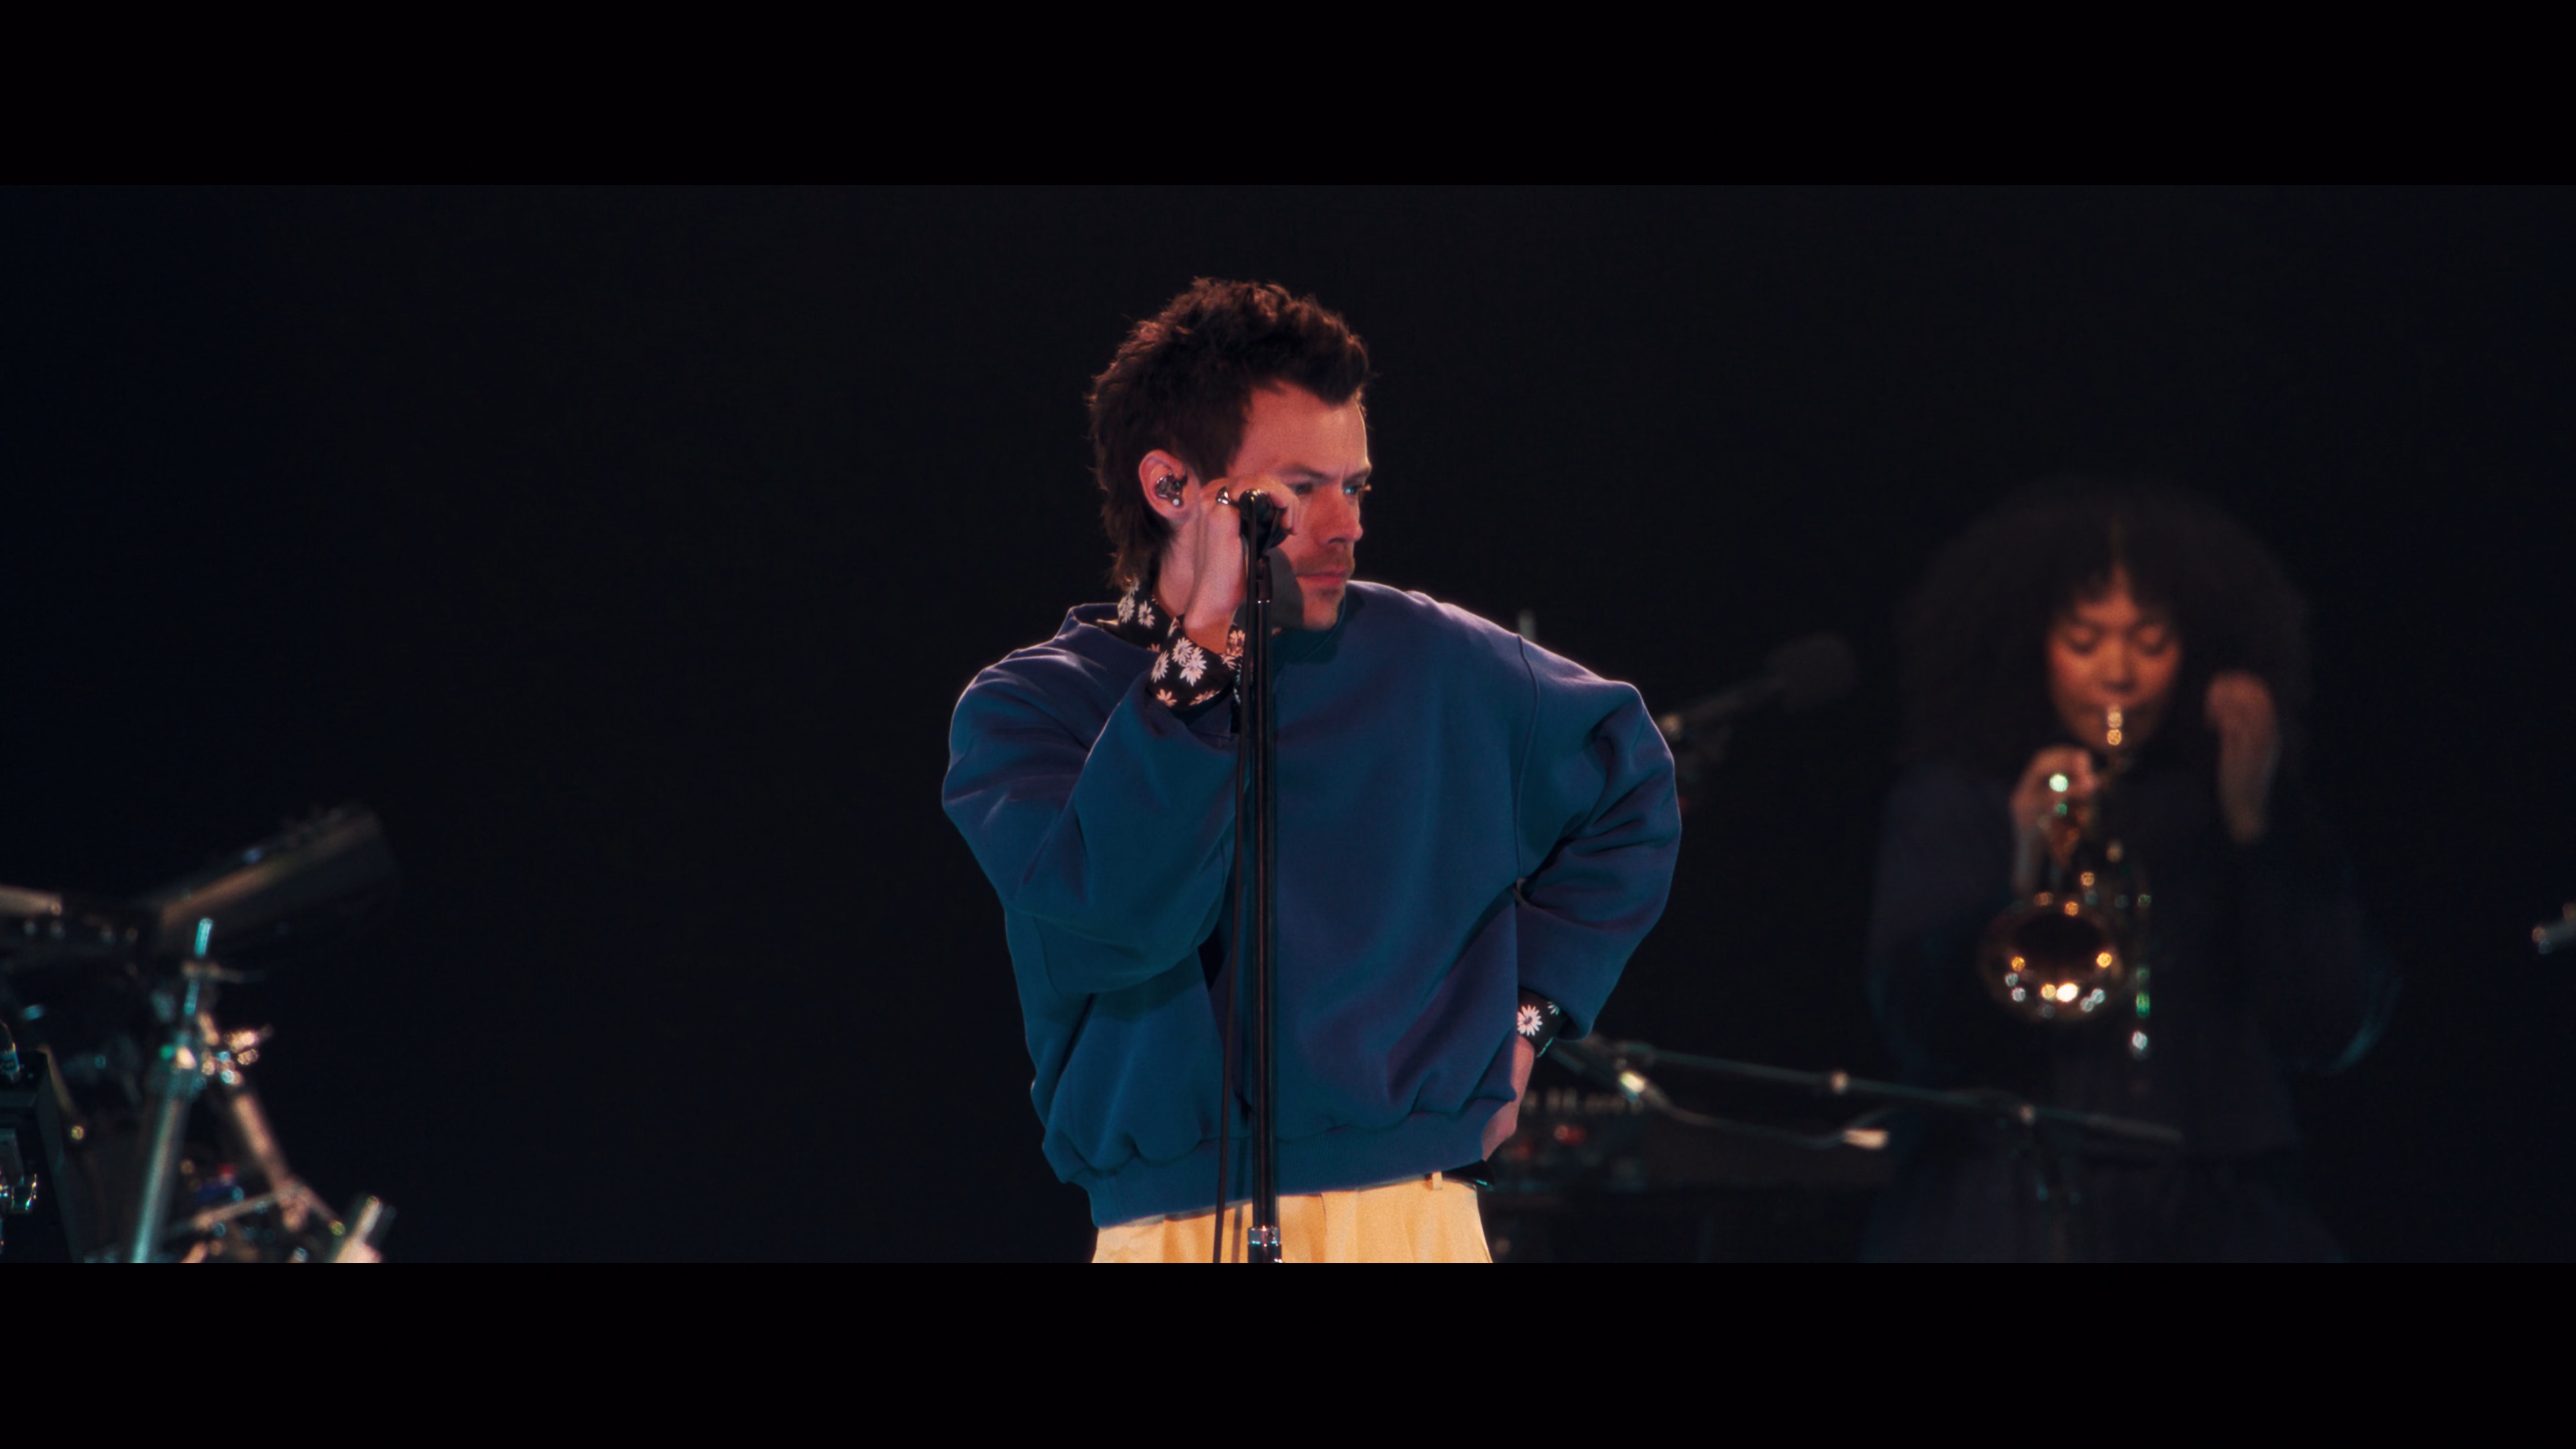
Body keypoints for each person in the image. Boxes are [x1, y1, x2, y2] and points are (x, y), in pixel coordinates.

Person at [943, 279, 1680, 1262]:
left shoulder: (1435, 661)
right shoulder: (1032, 709)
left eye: (1355, 487)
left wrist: (1530, 1016)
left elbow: (1629, 783)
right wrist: (1203, 657)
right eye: (1298, 492)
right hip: (1173, 1229)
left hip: (1412, 1220)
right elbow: (1119, 925)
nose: (1347, 525)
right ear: (1171, 489)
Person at [1866, 479, 2396, 1261]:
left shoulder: (2228, 809)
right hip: (2002, 1205)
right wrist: (2022, 871)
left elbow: (2332, 1024)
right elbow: (1919, 1029)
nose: (2118, 673)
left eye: (2151, 643)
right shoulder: (1958, 800)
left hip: (2213, 1211)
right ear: (2031, 640)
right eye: (2084, 642)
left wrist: (2258, 828)